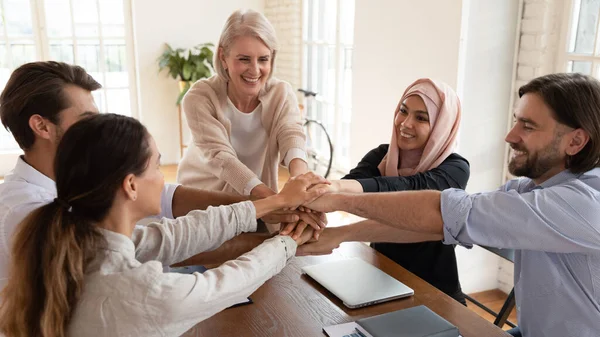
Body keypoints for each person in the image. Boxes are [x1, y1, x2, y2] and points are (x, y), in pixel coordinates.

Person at [298, 73, 600, 337]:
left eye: (528, 126)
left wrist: (337, 199)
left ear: (575, 142)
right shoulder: (529, 189)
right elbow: (441, 226)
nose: (510, 136)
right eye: (515, 121)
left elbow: (439, 212)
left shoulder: (583, 204)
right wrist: (339, 234)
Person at [0, 61, 323, 288]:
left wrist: (271, 209)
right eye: (85, 118)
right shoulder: (24, 211)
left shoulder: (83, 172)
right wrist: (278, 238)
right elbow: (156, 247)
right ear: (41, 126)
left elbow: (168, 198)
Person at [0, 113, 327, 337]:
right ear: (130, 185)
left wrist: (273, 203)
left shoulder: (82, 240)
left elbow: (175, 234)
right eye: (156, 166)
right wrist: (288, 241)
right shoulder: (137, 290)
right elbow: (226, 284)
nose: (162, 177)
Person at [321, 78, 468, 304]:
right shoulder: (383, 155)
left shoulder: (455, 168)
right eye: (403, 111)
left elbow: (410, 190)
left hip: (434, 291)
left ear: (442, 125)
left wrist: (339, 189)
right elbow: (351, 184)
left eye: (421, 118)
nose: (405, 123)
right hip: (379, 276)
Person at [177, 9, 309, 200]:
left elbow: (291, 134)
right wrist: (276, 201)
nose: (255, 70)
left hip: (256, 196)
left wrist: (301, 182)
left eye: (263, 59)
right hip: (201, 197)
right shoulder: (200, 97)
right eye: (244, 59)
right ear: (223, 57)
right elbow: (222, 159)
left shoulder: (281, 93)